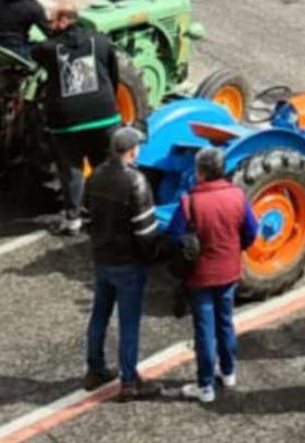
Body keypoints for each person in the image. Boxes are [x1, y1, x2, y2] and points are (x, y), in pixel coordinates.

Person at [167, 147, 256, 404]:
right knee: (225, 322)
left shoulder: (190, 202)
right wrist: (235, 249)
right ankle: (228, 372)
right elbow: (251, 231)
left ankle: (205, 385)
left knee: (204, 329)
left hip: (200, 276)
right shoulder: (238, 196)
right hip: (229, 271)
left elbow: (174, 237)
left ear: (200, 172)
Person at [82, 127, 162, 401]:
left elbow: (86, 218)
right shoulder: (136, 182)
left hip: (102, 259)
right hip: (129, 263)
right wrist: (150, 257)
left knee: (99, 315)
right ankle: (129, 382)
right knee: (129, 323)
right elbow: (145, 231)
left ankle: (95, 369)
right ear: (132, 151)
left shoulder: (94, 177)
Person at [30, 4, 121, 236]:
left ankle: (73, 219)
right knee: (104, 166)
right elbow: (114, 75)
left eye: (51, 21)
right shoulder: (101, 41)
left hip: (66, 120)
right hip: (103, 115)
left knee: (71, 169)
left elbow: (34, 52)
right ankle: (107, 214)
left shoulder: (49, 48)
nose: (49, 25)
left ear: (63, 21)